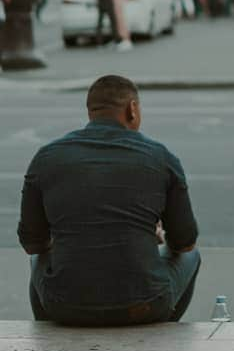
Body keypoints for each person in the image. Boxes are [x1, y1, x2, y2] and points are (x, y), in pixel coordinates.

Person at [17, 74, 200, 326]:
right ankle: (160, 327)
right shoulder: (161, 157)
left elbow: (32, 244)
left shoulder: (46, 157)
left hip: (64, 307)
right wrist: (149, 235)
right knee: (193, 256)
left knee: (39, 259)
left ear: (91, 111)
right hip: (143, 305)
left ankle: (50, 333)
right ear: (132, 109)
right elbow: (185, 243)